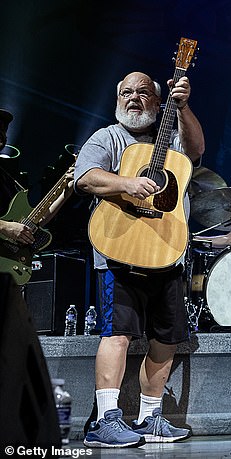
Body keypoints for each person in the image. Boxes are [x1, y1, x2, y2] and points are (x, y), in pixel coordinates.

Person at [74, 71, 204, 448]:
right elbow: (85, 178)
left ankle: (149, 418)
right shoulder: (108, 137)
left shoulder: (174, 137)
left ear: (158, 101)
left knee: (166, 338)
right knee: (117, 334)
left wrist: (184, 107)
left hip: (166, 249)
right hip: (120, 250)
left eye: (143, 92)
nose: (133, 98)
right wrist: (126, 183)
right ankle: (105, 419)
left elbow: (195, 151)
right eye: (126, 92)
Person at [0, 108, 73, 249]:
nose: (1, 133)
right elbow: (11, 228)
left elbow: (32, 222)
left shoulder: (7, 176)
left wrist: (66, 191)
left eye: (3, 129)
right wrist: (5, 226)